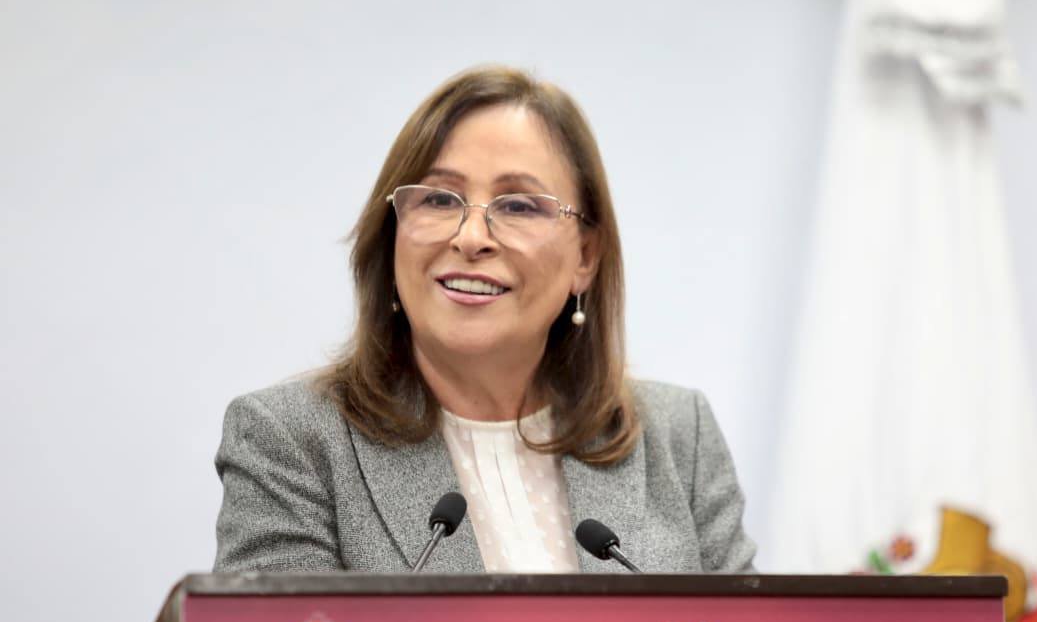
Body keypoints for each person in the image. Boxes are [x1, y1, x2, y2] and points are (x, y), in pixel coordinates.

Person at [213, 66, 755, 576]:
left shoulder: (678, 435)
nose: (471, 238)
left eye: (519, 206)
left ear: (586, 257)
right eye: (439, 199)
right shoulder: (292, 440)